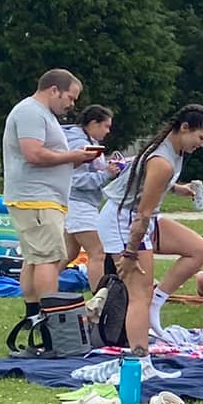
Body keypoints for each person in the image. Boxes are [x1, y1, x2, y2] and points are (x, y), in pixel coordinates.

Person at [97, 104, 203, 350]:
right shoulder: (162, 161)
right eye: (201, 137)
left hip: (142, 218)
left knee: (200, 250)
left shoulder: (172, 149)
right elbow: (142, 213)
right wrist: (130, 253)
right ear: (184, 128)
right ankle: (140, 358)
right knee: (139, 295)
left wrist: (177, 188)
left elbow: (148, 181)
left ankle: (156, 303)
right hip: (125, 220)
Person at [2, 68, 103, 313]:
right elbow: (33, 154)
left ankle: (33, 314)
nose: (72, 104)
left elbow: (49, 157)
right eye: (70, 97)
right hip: (36, 199)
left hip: (39, 199)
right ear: (54, 90)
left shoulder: (42, 114)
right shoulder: (31, 112)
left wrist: (77, 160)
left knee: (35, 259)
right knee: (48, 259)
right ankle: (51, 317)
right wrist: (73, 156)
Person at [62, 105, 117, 286]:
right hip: (79, 203)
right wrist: (106, 174)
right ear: (94, 123)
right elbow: (76, 179)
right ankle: (99, 295)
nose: (108, 131)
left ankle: (42, 286)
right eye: (106, 126)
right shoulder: (80, 145)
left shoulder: (87, 142)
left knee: (69, 253)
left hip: (77, 203)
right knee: (97, 252)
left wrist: (108, 168)